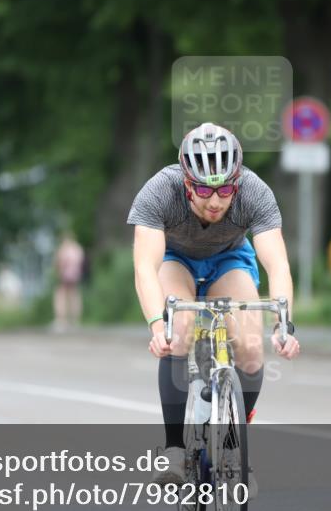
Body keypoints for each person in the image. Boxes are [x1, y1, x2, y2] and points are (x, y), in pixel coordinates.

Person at [127, 122, 301, 485]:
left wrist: (283, 325)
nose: (215, 200)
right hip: (176, 259)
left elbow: (277, 263)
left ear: (237, 182)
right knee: (180, 331)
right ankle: (174, 450)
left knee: (252, 350)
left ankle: (235, 447)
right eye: (204, 189)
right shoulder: (159, 190)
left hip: (229, 260)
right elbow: (145, 266)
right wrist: (159, 328)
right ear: (186, 182)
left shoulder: (254, 191)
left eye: (224, 189)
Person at [53, 232, 85, 331]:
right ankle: (75, 319)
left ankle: (61, 319)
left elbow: (59, 262)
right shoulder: (77, 249)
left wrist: (59, 271)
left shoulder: (64, 249)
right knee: (74, 295)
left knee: (61, 295)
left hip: (65, 274)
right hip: (75, 275)